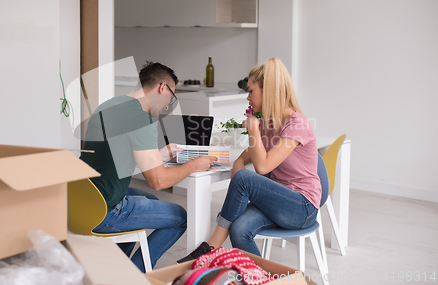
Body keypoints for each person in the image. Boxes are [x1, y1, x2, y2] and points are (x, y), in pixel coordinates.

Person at [178, 57, 320, 262]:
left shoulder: (296, 124)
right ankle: (257, 277)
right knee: (239, 228)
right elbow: (249, 155)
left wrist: (253, 128)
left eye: (251, 91)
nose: (248, 98)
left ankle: (211, 246)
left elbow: (262, 166)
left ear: (268, 91)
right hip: (277, 202)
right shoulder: (270, 123)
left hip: (301, 207)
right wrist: (239, 161)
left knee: (245, 178)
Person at [80, 61, 217, 272]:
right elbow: (158, 181)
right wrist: (193, 165)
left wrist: (158, 155)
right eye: (170, 98)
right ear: (162, 88)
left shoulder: (109, 105)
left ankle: (116, 267)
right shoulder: (139, 118)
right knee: (180, 217)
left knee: (150, 201)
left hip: (84, 199)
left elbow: (114, 153)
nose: (166, 106)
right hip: (105, 210)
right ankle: (133, 275)